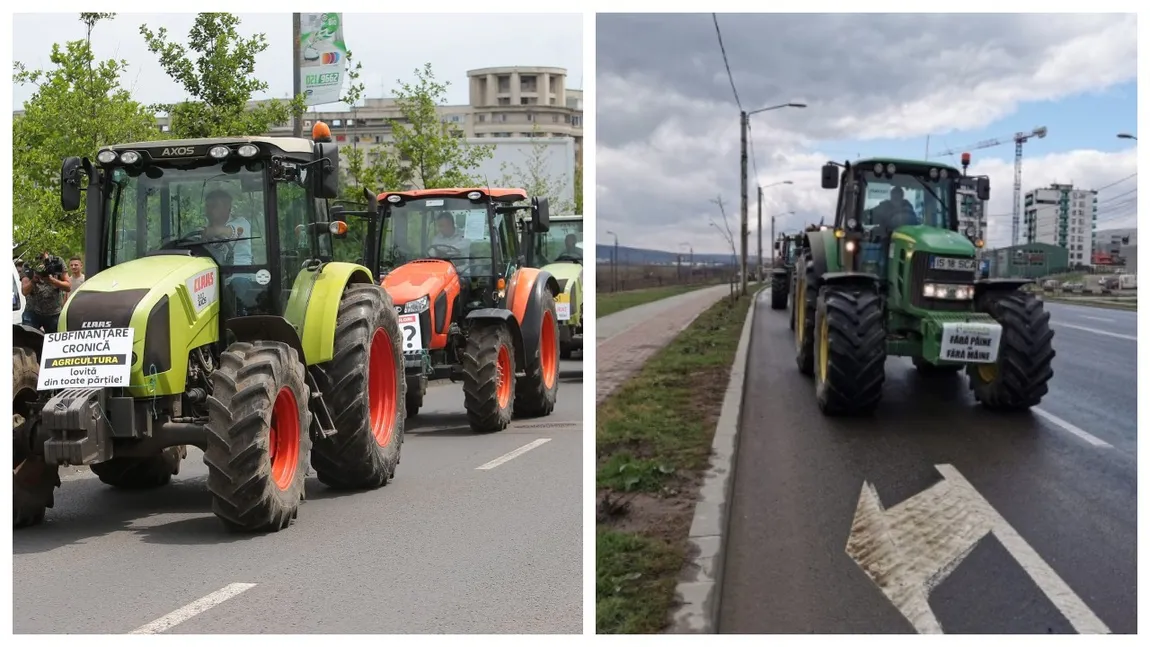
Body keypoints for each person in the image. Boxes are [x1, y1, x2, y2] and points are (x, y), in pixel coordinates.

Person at [21, 250, 70, 333]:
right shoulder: (28, 263)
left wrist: (52, 280)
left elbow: (68, 287)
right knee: (29, 341)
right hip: (32, 311)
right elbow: (24, 291)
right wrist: (33, 281)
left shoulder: (57, 261)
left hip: (54, 312)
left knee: (54, 343)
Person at [203, 189, 253, 265]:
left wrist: (213, 231)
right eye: (207, 206)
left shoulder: (241, 223)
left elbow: (230, 232)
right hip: (214, 271)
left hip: (240, 271)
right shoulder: (203, 229)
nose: (209, 210)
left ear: (227, 207)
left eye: (214, 206)